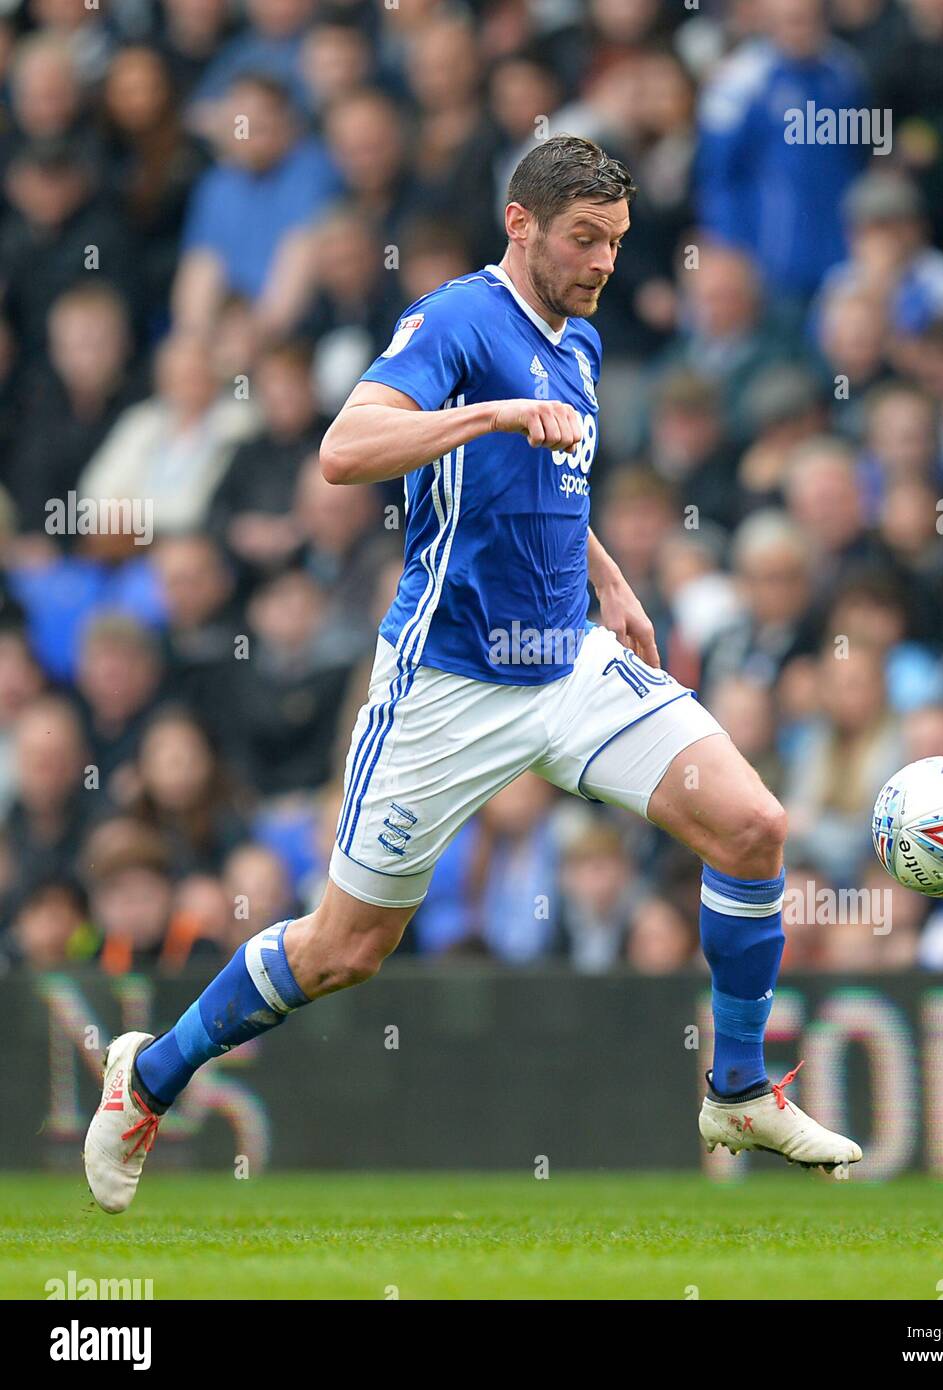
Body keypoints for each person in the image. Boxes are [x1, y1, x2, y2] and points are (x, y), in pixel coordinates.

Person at [84, 135, 860, 1214]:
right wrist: (490, 411)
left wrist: (611, 580)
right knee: (344, 948)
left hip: (568, 661)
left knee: (753, 826)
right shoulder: (456, 320)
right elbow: (345, 450)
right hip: (445, 682)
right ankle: (150, 1075)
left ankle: (735, 1087)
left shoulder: (576, 340)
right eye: (584, 240)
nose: (602, 263)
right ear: (521, 224)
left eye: (617, 243)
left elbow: (547, 486)